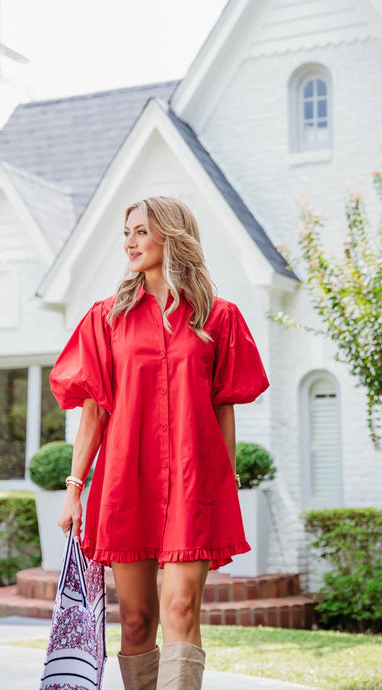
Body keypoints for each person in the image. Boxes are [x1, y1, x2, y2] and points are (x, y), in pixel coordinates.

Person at [49, 196, 269, 690]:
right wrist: (74, 487)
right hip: (127, 480)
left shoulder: (218, 316)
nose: (129, 242)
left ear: (171, 235)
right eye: (126, 232)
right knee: (135, 622)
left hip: (195, 480)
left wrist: (225, 479)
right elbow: (94, 409)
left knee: (180, 606)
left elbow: (223, 406)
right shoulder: (107, 319)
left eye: (141, 231)